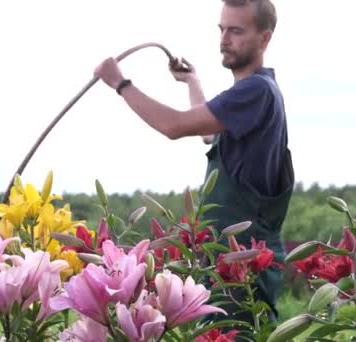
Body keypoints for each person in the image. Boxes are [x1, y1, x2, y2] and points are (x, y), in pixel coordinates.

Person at [94, 0, 294, 325]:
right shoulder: (253, 94)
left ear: (264, 38)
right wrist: (192, 82)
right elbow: (207, 135)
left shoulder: (256, 91)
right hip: (228, 259)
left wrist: (120, 83)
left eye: (237, 31)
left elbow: (175, 126)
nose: (225, 39)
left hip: (242, 262)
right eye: (222, 29)